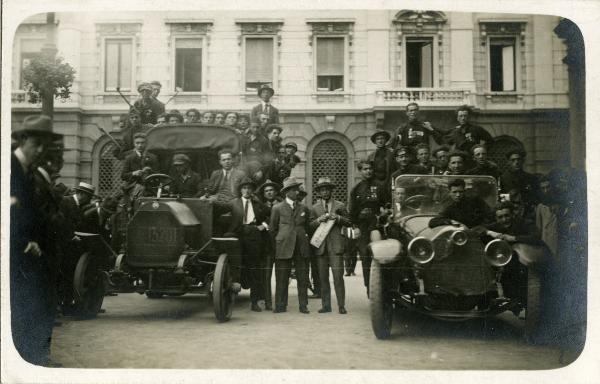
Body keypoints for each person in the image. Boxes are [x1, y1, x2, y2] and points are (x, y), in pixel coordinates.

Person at [10, 114, 62, 366]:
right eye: (36, 144)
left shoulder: (28, 171)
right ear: (22, 140)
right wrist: (24, 241)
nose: (40, 150)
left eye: (45, 145)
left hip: (30, 251)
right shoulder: (10, 167)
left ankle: (33, 357)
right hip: (17, 252)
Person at [223, 178, 269, 312]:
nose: (247, 190)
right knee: (235, 262)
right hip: (237, 234)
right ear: (240, 190)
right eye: (244, 188)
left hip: (253, 234)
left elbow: (272, 214)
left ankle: (254, 302)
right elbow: (218, 208)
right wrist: (208, 200)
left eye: (249, 188)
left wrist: (264, 225)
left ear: (252, 190)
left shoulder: (258, 204)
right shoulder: (233, 203)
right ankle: (233, 287)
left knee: (254, 268)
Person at [309, 178, 351, 314]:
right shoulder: (314, 208)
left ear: (331, 191)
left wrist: (337, 218)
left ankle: (341, 305)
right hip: (320, 247)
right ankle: (326, 305)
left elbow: (349, 222)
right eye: (322, 190)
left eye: (327, 189)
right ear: (319, 192)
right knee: (323, 278)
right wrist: (318, 220)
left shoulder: (340, 205)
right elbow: (309, 226)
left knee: (338, 277)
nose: (325, 192)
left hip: (336, 246)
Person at [270, 177, 311, 314]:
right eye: (294, 190)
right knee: (281, 277)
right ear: (287, 192)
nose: (297, 192)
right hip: (283, 246)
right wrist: (279, 242)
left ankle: (303, 305)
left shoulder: (304, 208)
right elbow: (272, 229)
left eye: (297, 189)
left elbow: (307, 227)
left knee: (303, 277)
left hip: (301, 246)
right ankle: (280, 305)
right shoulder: (277, 208)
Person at [349, 160, 387, 296]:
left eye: (370, 168)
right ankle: (369, 289)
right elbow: (352, 212)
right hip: (363, 226)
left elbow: (387, 204)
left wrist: (384, 212)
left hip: (378, 225)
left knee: (382, 255)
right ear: (360, 171)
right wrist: (356, 226)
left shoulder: (381, 187)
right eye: (365, 169)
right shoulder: (356, 189)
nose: (368, 171)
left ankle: (384, 288)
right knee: (365, 256)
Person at [58, 182, 96, 315]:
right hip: (63, 245)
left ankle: (66, 304)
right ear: (82, 194)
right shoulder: (65, 202)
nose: (90, 200)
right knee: (64, 274)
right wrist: (70, 236)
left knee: (69, 274)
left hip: (71, 247)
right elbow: (60, 222)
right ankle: (62, 304)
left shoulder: (78, 206)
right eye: (89, 197)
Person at [429, 178, 493, 228]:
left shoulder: (475, 200)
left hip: (483, 233)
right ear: (449, 193)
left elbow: (490, 215)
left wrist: (483, 229)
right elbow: (432, 222)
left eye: (460, 192)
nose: (458, 195)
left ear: (464, 191)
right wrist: (451, 221)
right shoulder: (449, 207)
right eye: (454, 192)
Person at [258, 179, 282, 310]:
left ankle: (279, 302)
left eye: (271, 190)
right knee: (266, 276)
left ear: (276, 192)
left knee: (280, 276)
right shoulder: (260, 206)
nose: (269, 193)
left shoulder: (283, 205)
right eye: (266, 191)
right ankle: (268, 302)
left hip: (280, 245)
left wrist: (266, 224)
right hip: (266, 246)